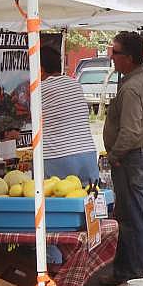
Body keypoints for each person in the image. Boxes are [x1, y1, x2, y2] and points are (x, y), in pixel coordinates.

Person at [100, 31, 143, 286]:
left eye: (115, 52)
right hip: (134, 157)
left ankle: (134, 275)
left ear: (129, 58)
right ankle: (124, 271)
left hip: (132, 158)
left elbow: (131, 130)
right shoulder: (135, 81)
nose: (111, 57)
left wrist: (115, 155)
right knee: (126, 216)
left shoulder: (134, 86)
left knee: (132, 218)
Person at [40, 43, 99, 184]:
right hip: (87, 154)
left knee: (57, 202)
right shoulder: (75, 84)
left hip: (59, 156)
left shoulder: (40, 89)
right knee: (89, 200)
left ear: (40, 70)